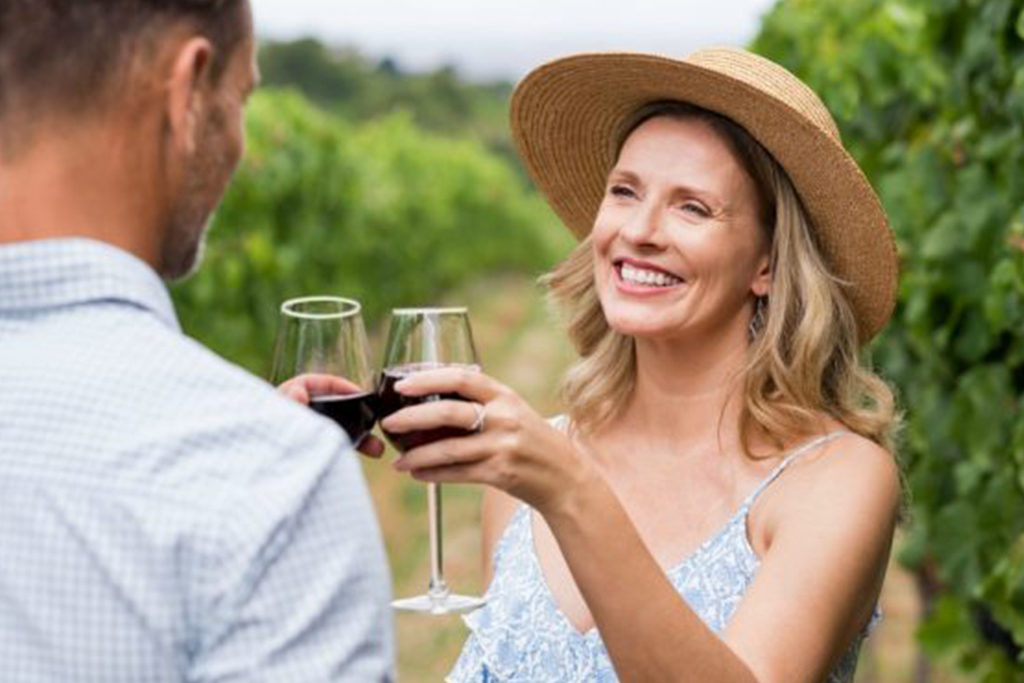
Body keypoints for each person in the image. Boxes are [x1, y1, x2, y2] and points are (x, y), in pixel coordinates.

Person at [379, 49, 902, 683]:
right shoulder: (518, 486)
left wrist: (571, 491)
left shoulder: (834, 480)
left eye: (693, 207)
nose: (641, 230)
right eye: (625, 192)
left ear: (767, 263)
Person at [0, 1, 393, 681]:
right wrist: (247, 452)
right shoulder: (273, 486)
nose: (239, 140)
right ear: (187, 90)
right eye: (239, 97)